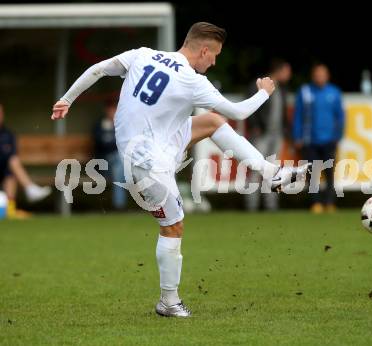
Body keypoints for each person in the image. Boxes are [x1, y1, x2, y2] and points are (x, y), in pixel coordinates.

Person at [51, 22, 309, 317]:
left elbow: (98, 69)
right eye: (214, 55)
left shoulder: (143, 54)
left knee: (212, 122)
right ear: (203, 50)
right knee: (172, 226)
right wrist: (264, 91)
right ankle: (168, 302)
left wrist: (67, 98)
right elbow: (239, 112)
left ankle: (270, 172)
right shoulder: (190, 79)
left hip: (152, 145)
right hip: (146, 164)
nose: (214, 62)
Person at [292, 63, 345, 213]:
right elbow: (298, 115)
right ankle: (315, 203)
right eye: (317, 74)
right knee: (312, 173)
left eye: (322, 74)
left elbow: (340, 117)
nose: (319, 77)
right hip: (309, 140)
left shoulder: (334, 92)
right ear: (313, 76)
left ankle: (329, 202)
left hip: (329, 140)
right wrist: (297, 136)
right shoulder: (305, 92)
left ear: (327, 76)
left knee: (329, 173)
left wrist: (338, 135)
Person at [245, 59, 292, 211]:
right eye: (287, 71)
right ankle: (251, 206)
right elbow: (250, 104)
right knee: (256, 167)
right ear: (279, 70)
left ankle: (271, 205)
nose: (289, 75)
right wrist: (255, 126)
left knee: (273, 169)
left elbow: (282, 113)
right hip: (261, 134)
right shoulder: (259, 84)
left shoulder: (282, 89)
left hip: (277, 135)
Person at [0, 103, 52, 217]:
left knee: (11, 171)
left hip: (3, 170)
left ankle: (10, 210)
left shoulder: (8, 135)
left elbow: (12, 154)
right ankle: (30, 188)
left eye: (1, 112)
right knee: (12, 162)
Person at [93, 99, 127, 210]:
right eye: (111, 109)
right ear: (106, 111)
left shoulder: (123, 125)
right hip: (104, 164)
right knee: (119, 163)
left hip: (122, 164)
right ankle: (119, 207)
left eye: (115, 109)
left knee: (119, 167)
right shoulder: (100, 125)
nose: (113, 112)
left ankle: (119, 205)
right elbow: (102, 144)